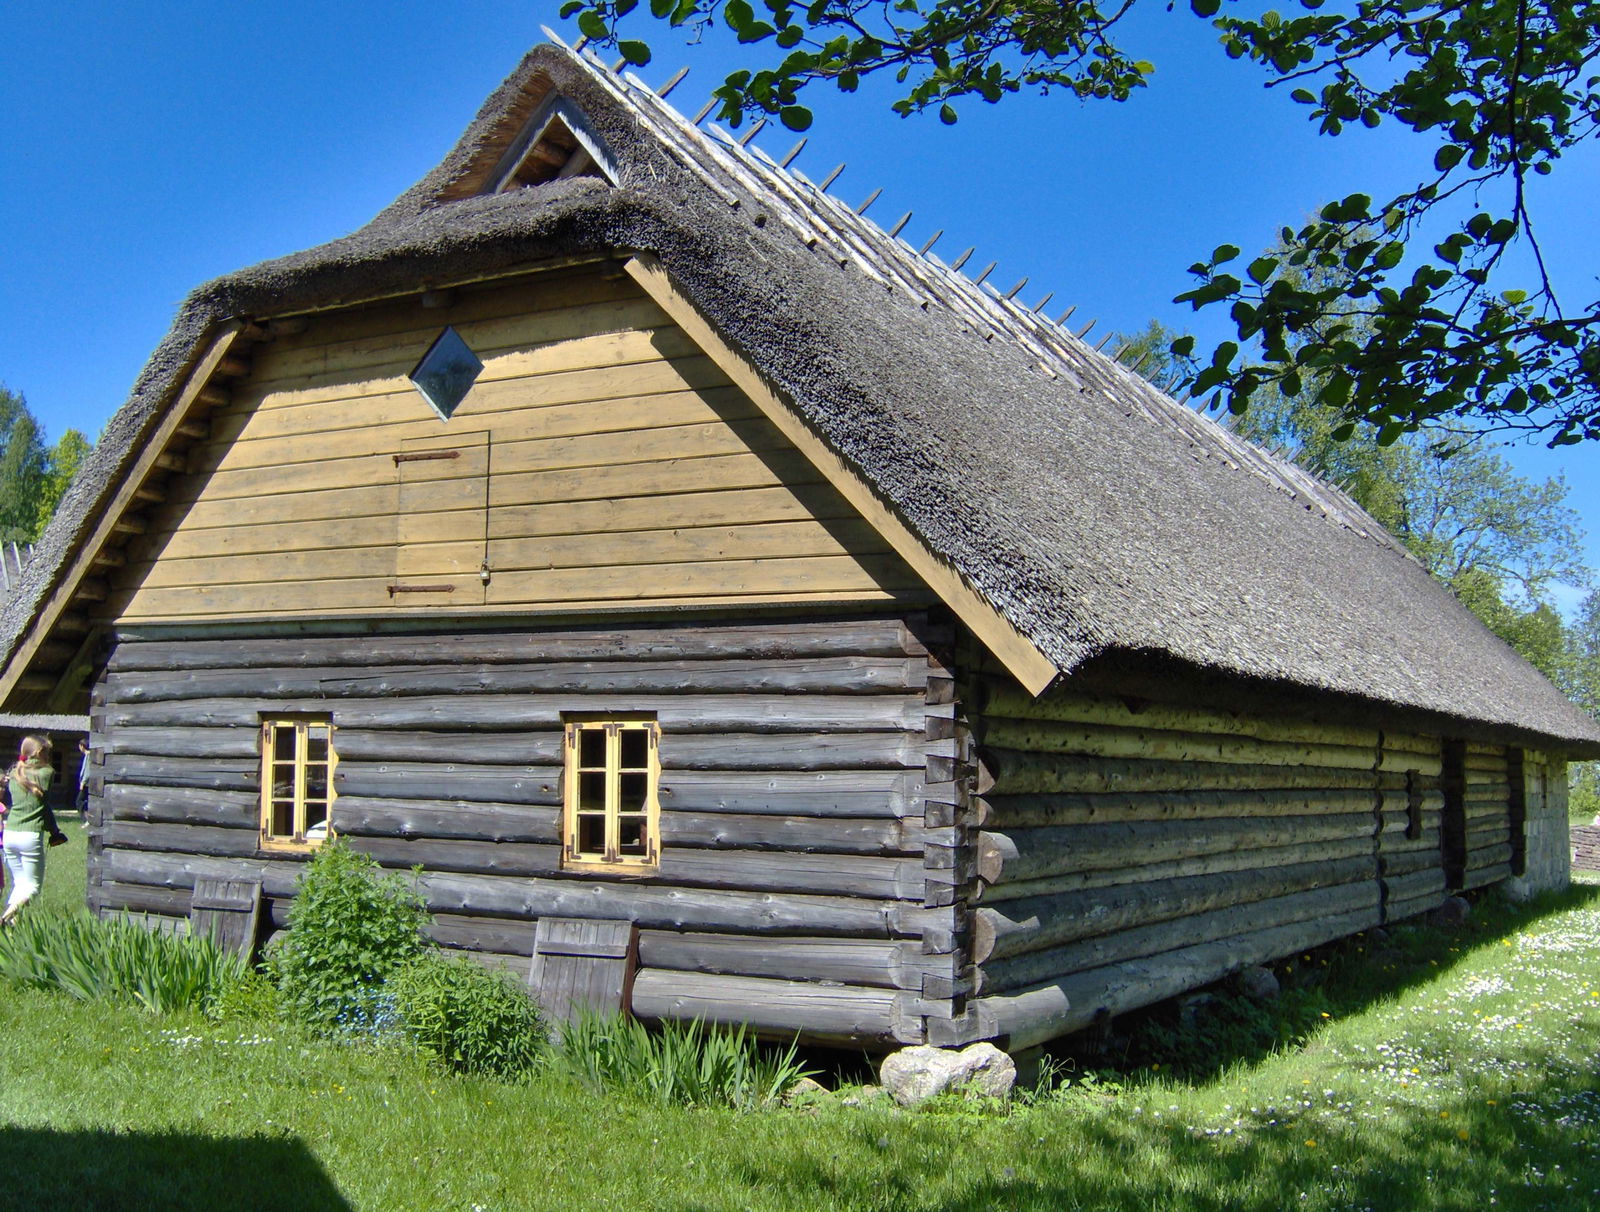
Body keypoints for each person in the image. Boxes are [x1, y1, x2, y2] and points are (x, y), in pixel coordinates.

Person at [1, 735, 67, 925]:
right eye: (48, 752)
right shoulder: (46, 773)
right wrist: (54, 831)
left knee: (20, 884)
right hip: (30, 835)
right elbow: (44, 808)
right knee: (33, 887)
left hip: (10, 834)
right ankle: (4, 918)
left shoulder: (15, 772)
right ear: (40, 753)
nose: (50, 756)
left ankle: (11, 928)